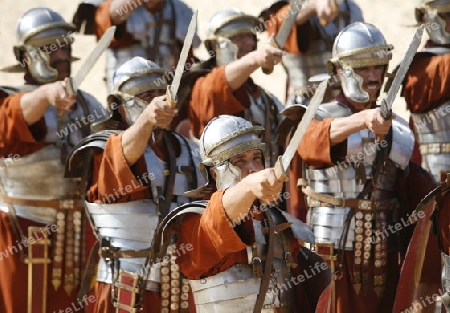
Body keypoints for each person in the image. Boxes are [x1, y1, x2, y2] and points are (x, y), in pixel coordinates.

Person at [294, 22, 436, 312]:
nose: (372, 76)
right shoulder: (319, 115)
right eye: (362, 68)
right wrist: (362, 121)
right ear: (339, 71)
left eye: (377, 67)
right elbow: (309, 144)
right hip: (332, 250)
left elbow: (415, 188)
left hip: (385, 248)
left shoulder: (398, 127)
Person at [150, 115, 333, 313]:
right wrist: (249, 186)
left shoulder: (278, 221)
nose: (252, 168)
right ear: (214, 173)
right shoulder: (196, 220)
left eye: (256, 158)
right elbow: (220, 219)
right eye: (240, 161)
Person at [65, 56, 205, 312]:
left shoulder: (188, 150)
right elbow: (122, 156)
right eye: (145, 96)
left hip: (179, 286)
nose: (156, 100)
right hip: (127, 287)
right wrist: (147, 119)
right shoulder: (103, 148)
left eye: (160, 94)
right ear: (119, 107)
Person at [0, 7, 105, 313]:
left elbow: (113, 156)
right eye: (49, 47)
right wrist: (46, 95)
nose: (59, 54)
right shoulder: (8, 97)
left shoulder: (87, 104)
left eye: (63, 45)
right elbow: (11, 120)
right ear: (25, 57)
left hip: (76, 232)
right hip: (21, 230)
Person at [181, 8, 285, 168]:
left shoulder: (259, 92)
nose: (249, 43)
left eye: (250, 37)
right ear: (215, 45)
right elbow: (218, 85)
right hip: (225, 187)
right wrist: (256, 58)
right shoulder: (203, 85)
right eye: (238, 36)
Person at [399, 0, 450, 310]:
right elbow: (429, 82)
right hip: (437, 184)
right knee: (434, 276)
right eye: (445, 15)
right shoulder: (420, 66)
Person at [72, 0, 200, 94]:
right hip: (126, 98)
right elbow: (103, 23)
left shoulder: (179, 10)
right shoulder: (120, 7)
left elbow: (186, 62)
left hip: (166, 96)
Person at [260, 0, 364, 101]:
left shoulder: (352, 8)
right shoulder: (286, 6)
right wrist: (313, 5)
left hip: (345, 101)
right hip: (305, 104)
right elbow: (281, 24)